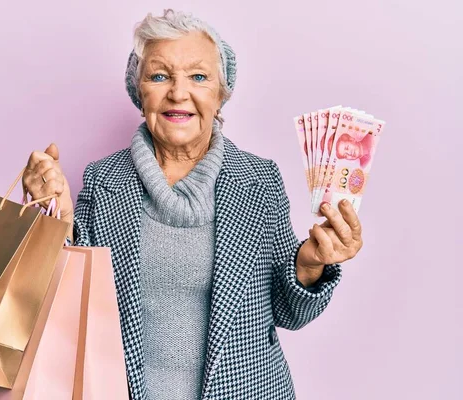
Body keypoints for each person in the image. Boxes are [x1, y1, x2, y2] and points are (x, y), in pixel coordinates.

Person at [22, 9, 363, 400]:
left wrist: (309, 265)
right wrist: (57, 216)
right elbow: (64, 306)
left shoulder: (260, 180)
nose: (178, 93)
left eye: (198, 77)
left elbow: (289, 313)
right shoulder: (104, 181)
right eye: (159, 75)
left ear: (221, 95)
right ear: (140, 92)